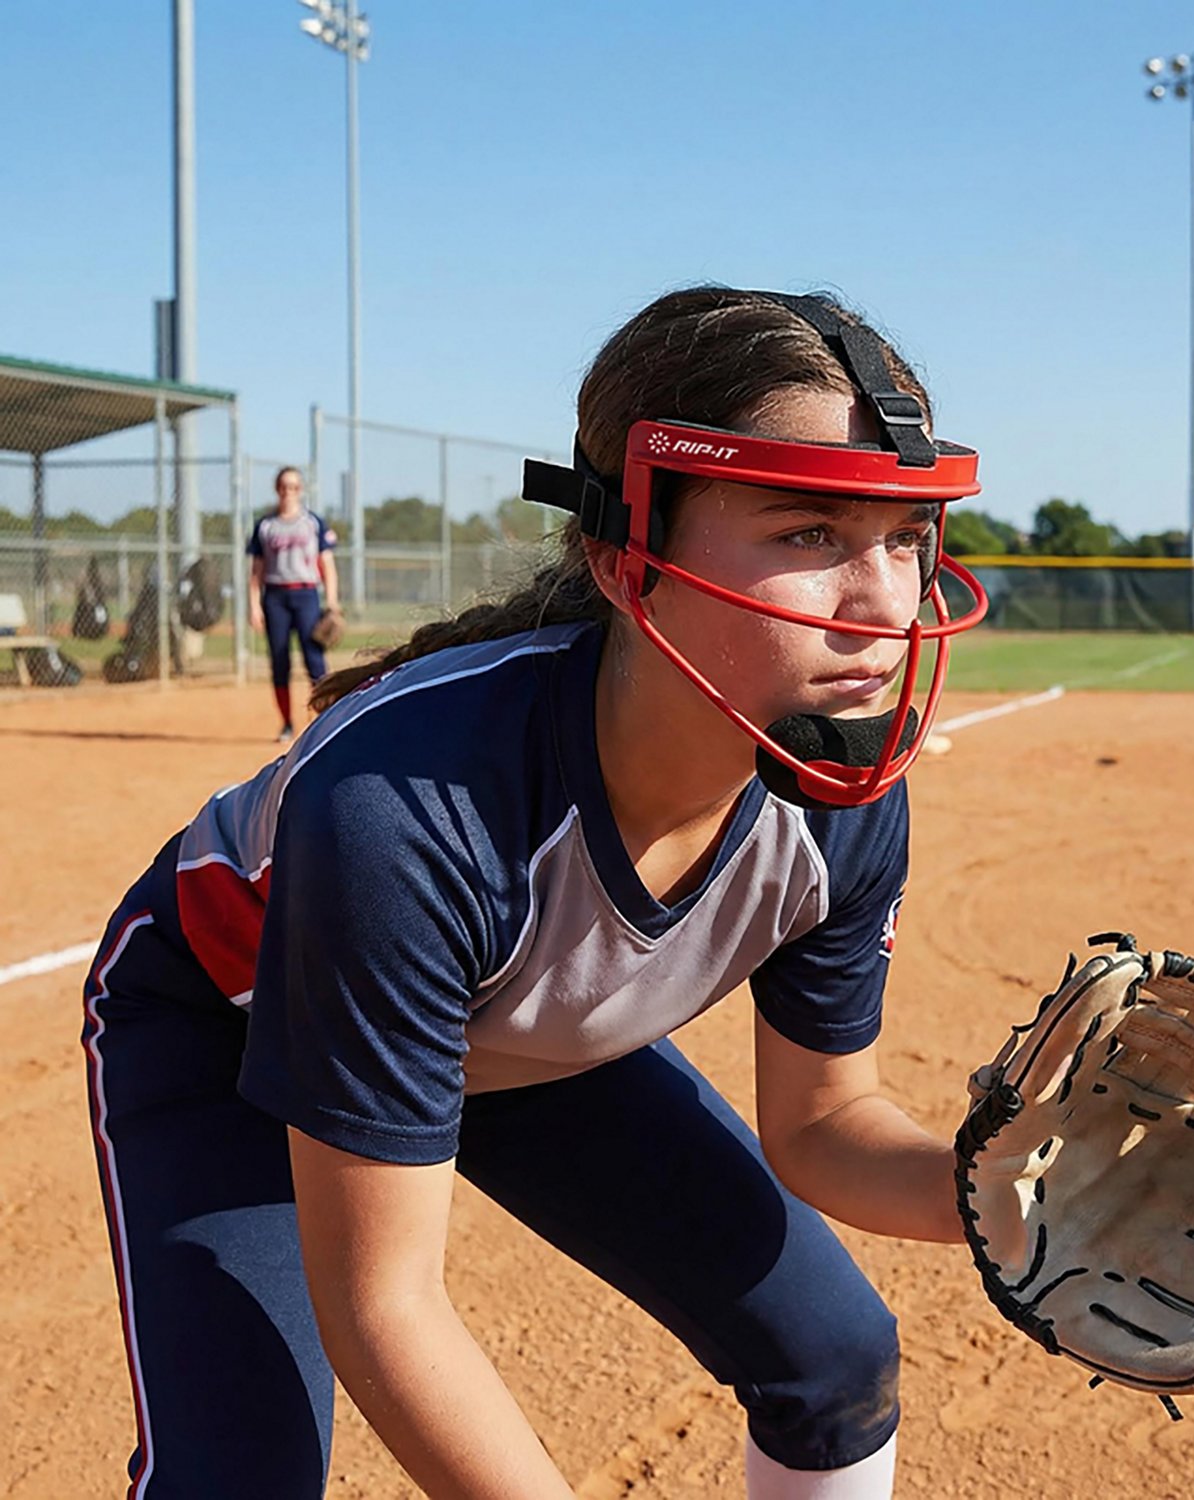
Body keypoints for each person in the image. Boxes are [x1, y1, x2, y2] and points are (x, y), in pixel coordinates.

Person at [81, 287, 989, 1500]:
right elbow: (386, 1306)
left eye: (905, 536)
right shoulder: (402, 812)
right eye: (809, 534)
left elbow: (826, 1127)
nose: (883, 608)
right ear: (626, 560)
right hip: (236, 1032)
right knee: (237, 1479)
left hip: (514, 1035)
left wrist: (1020, 1201)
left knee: (835, 1357)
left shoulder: (839, 785)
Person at [247, 465, 340, 740]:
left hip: (306, 594)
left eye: (295, 487)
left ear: (301, 490)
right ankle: (287, 723)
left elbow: (327, 565)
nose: (289, 492)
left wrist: (332, 602)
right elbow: (256, 573)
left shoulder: (312, 523)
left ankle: (326, 718)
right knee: (279, 661)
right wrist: (254, 606)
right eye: (284, 486)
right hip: (275, 596)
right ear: (277, 489)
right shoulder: (265, 526)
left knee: (314, 658)